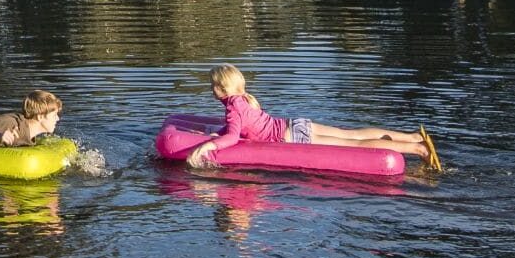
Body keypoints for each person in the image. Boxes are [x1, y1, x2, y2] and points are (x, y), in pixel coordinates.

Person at [185, 64, 442, 171]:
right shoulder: (244, 99)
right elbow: (236, 128)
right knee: (352, 135)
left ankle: (418, 150)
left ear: (221, 89)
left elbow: (232, 135)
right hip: (294, 124)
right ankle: (414, 137)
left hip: (292, 135)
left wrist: (209, 144)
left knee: (355, 145)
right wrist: (215, 134)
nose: (211, 90)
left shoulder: (233, 107)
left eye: (213, 86)